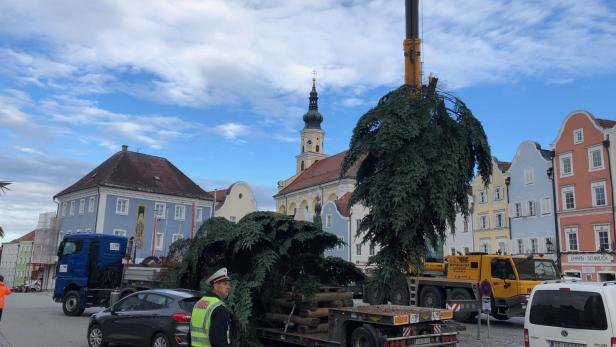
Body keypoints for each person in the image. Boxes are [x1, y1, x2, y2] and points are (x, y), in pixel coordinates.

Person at [191, 268, 231, 347]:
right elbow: (218, 342)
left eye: (229, 284)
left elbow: (190, 335)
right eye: (225, 284)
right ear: (215, 286)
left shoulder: (198, 304)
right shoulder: (219, 308)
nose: (228, 287)